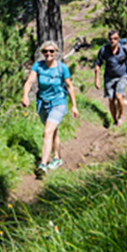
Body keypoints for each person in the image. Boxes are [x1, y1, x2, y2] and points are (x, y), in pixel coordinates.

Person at [22, 41, 79, 178]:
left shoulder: (62, 68)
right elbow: (29, 82)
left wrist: (74, 106)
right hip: (42, 103)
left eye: (51, 51)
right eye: (46, 51)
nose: (49, 54)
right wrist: (25, 96)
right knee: (52, 131)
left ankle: (43, 164)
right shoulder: (38, 66)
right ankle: (57, 157)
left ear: (56, 53)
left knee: (47, 131)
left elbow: (70, 87)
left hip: (58, 103)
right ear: (42, 53)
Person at [94, 30, 127, 127]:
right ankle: (115, 120)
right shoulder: (104, 50)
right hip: (109, 77)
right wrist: (97, 79)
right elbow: (97, 64)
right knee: (111, 99)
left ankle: (120, 116)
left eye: (115, 39)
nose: (113, 41)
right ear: (108, 40)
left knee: (118, 96)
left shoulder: (125, 49)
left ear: (119, 39)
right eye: (111, 39)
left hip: (122, 76)